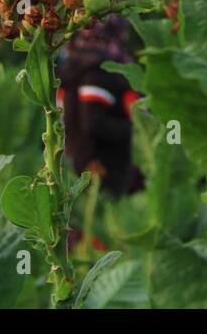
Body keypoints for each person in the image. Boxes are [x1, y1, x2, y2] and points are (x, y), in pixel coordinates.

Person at [56, 14, 144, 198]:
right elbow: (93, 123)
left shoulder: (74, 64)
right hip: (103, 171)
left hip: (74, 166)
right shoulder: (99, 71)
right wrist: (138, 130)